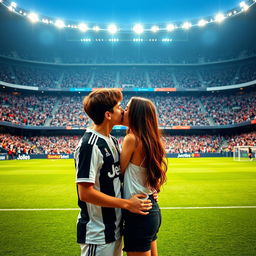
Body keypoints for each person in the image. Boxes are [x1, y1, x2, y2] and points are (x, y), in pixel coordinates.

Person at [74, 89, 153, 256]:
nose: (123, 110)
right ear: (108, 115)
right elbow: (85, 193)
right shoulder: (90, 145)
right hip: (98, 233)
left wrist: (147, 191)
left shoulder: (112, 141)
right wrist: (127, 204)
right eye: (119, 107)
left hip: (115, 228)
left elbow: (118, 177)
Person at [120, 97, 167, 256]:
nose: (123, 112)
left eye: (126, 109)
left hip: (138, 212)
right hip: (151, 208)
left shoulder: (132, 139)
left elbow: (118, 172)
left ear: (136, 114)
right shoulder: (151, 140)